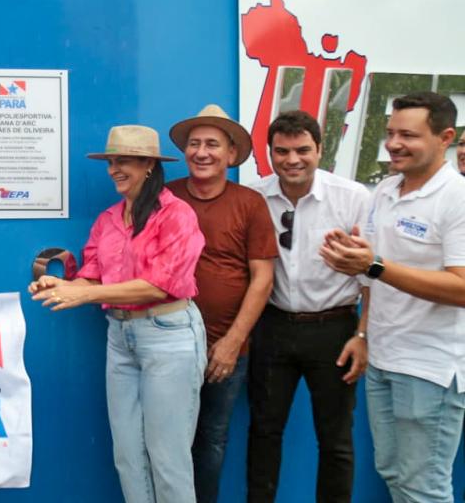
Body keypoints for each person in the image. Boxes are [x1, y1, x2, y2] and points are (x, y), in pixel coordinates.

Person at [29, 124, 206, 503]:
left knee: (168, 458)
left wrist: (86, 297)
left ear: (148, 166)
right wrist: (60, 287)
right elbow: (91, 278)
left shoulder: (177, 215)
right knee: (127, 456)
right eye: (111, 162)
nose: (114, 169)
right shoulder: (109, 219)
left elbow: (160, 286)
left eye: (122, 161)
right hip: (121, 338)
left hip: (169, 335)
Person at [321, 92, 465, 503]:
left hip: (430, 367)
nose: (394, 143)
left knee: (423, 488)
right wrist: (363, 334)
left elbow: (462, 287)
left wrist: (374, 265)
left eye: (409, 135)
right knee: (394, 475)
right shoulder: (384, 190)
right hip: (383, 358)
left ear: (445, 137)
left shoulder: (457, 198)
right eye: (390, 133)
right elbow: (373, 272)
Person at [248, 111, 370, 503]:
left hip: (334, 330)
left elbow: (372, 277)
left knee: (335, 439)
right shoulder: (255, 197)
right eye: (281, 151)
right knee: (264, 430)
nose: (292, 159)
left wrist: (363, 335)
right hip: (273, 326)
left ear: (320, 150)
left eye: (303, 150)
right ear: (270, 153)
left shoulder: (353, 199)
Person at [165, 104, 277, 503]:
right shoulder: (165, 195)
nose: (202, 152)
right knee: (165, 441)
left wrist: (232, 342)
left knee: (210, 440)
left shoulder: (249, 203)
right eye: (194, 143)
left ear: (232, 154)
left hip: (223, 348)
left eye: (213, 144)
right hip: (166, 343)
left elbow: (263, 278)